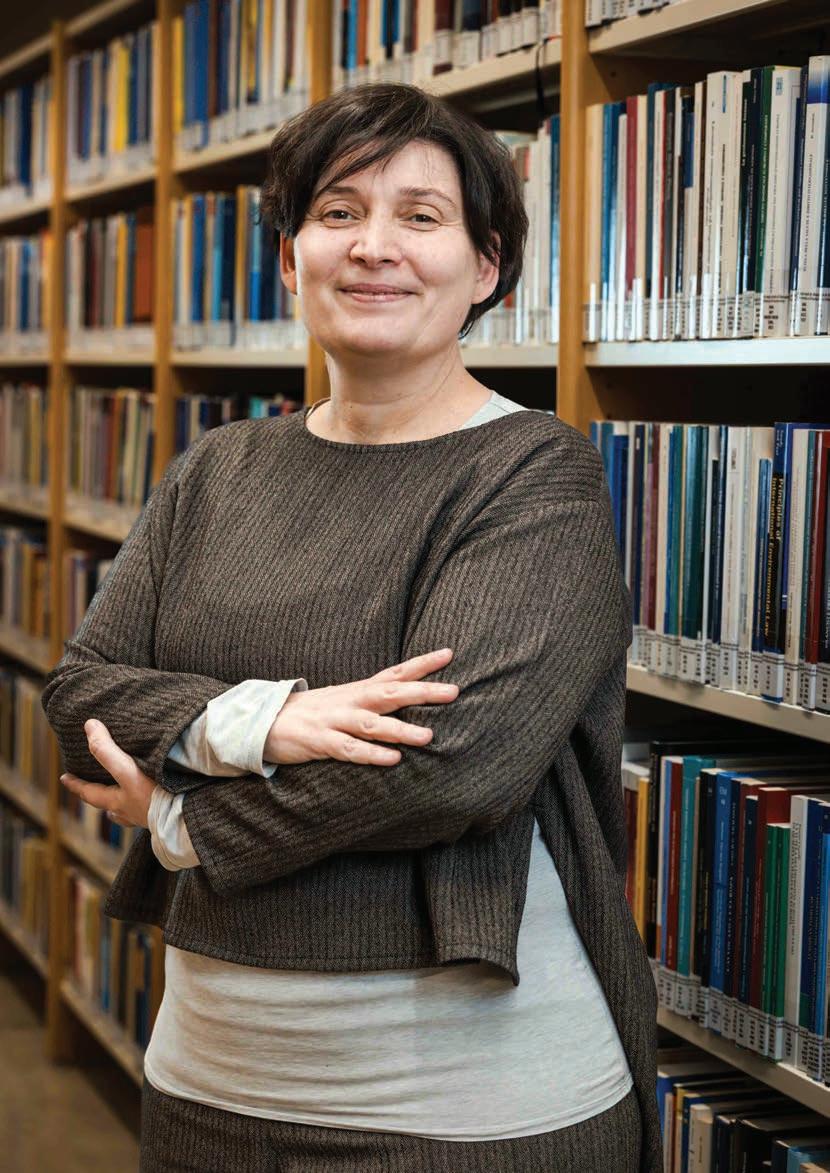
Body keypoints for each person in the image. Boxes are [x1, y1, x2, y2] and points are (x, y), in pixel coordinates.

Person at [42, 82, 661, 1172]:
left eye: (420, 217)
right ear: (292, 260)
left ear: (485, 267)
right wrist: (265, 723)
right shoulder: (218, 467)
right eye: (337, 212)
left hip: (467, 1112)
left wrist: (180, 818)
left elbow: (450, 770)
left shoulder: (533, 473)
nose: (374, 246)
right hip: (204, 1086)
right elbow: (79, 698)